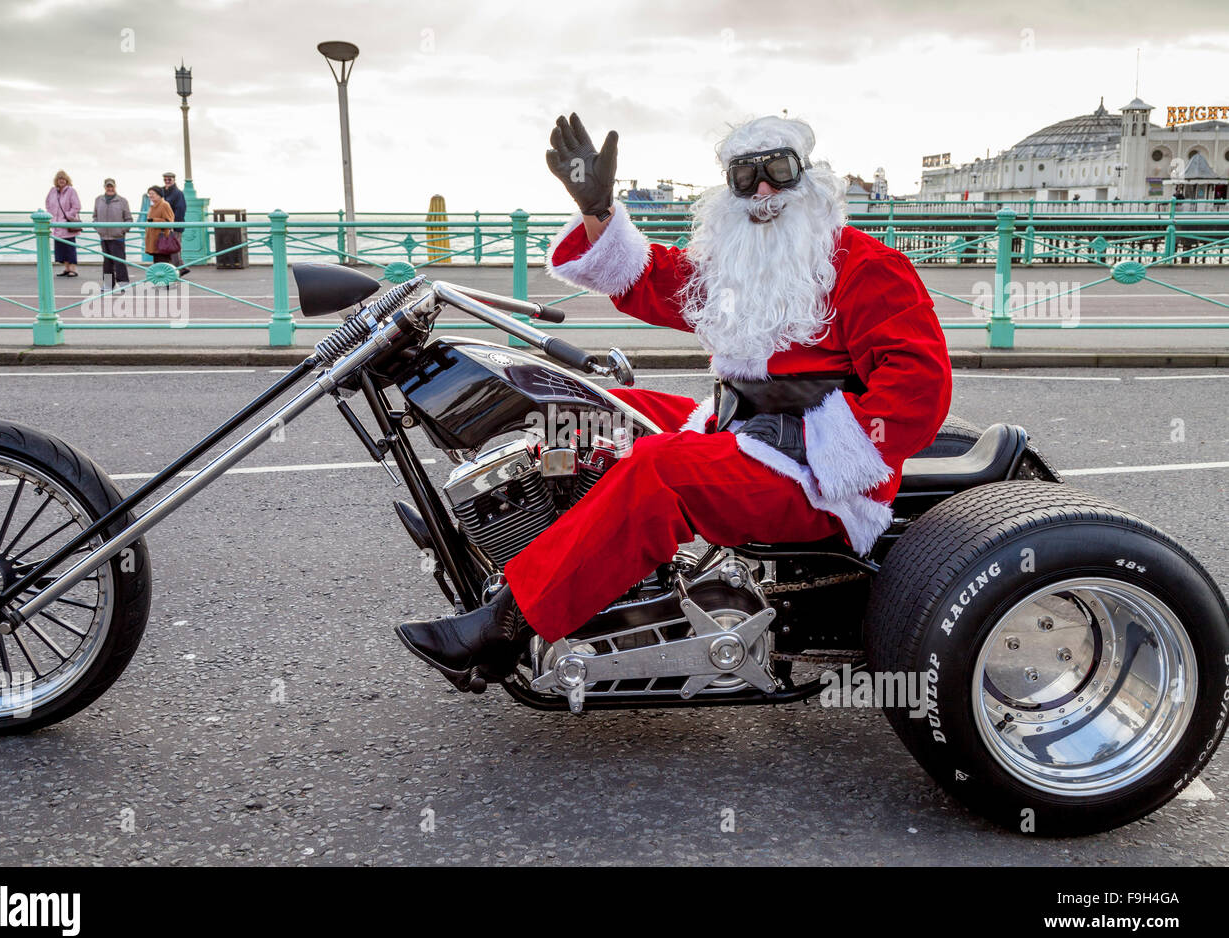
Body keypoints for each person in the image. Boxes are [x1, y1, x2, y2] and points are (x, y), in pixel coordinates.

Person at [396, 112, 953, 691]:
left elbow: (919, 388)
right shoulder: (743, 263)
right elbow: (651, 279)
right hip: (742, 430)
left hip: (822, 475)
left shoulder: (867, 266)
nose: (762, 189)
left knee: (659, 471)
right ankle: (507, 537)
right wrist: (598, 209)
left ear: (806, 180)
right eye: (745, 176)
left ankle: (508, 624)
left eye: (778, 172)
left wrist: (817, 442)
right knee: (593, 411)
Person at [93, 178, 133, 292]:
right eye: (108, 186)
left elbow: (128, 219)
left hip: (118, 236)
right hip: (104, 236)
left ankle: (124, 284)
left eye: (112, 186)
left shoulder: (122, 201)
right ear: (104, 187)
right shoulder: (98, 200)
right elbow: (94, 216)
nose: (110, 188)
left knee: (120, 261)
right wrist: (98, 228)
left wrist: (122, 230)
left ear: (115, 186)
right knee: (107, 262)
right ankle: (108, 285)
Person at [45, 170, 82, 277]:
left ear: (67, 180)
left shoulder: (71, 191)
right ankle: (66, 268)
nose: (61, 180)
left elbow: (77, 206)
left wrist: (67, 216)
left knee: (69, 247)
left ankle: (73, 269)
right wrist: (51, 215)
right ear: (56, 180)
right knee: (60, 248)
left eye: (63, 178)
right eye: (59, 179)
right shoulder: (52, 191)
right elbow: (47, 203)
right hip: (56, 224)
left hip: (67, 224)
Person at [160, 172, 190, 277]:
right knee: (168, 248)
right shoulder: (162, 192)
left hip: (174, 226)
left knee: (174, 248)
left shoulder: (178, 193)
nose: (167, 181)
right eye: (165, 180)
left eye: (169, 179)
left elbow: (181, 210)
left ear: (174, 180)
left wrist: (172, 224)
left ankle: (181, 268)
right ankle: (177, 269)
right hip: (164, 226)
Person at [144, 185, 176, 267]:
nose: (150, 196)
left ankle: (165, 280)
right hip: (154, 240)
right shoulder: (153, 206)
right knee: (158, 264)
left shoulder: (164, 205)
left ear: (159, 194)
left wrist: (154, 220)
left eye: (152, 193)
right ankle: (109, 279)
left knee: (162, 264)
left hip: (162, 240)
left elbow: (169, 221)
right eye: (149, 194)